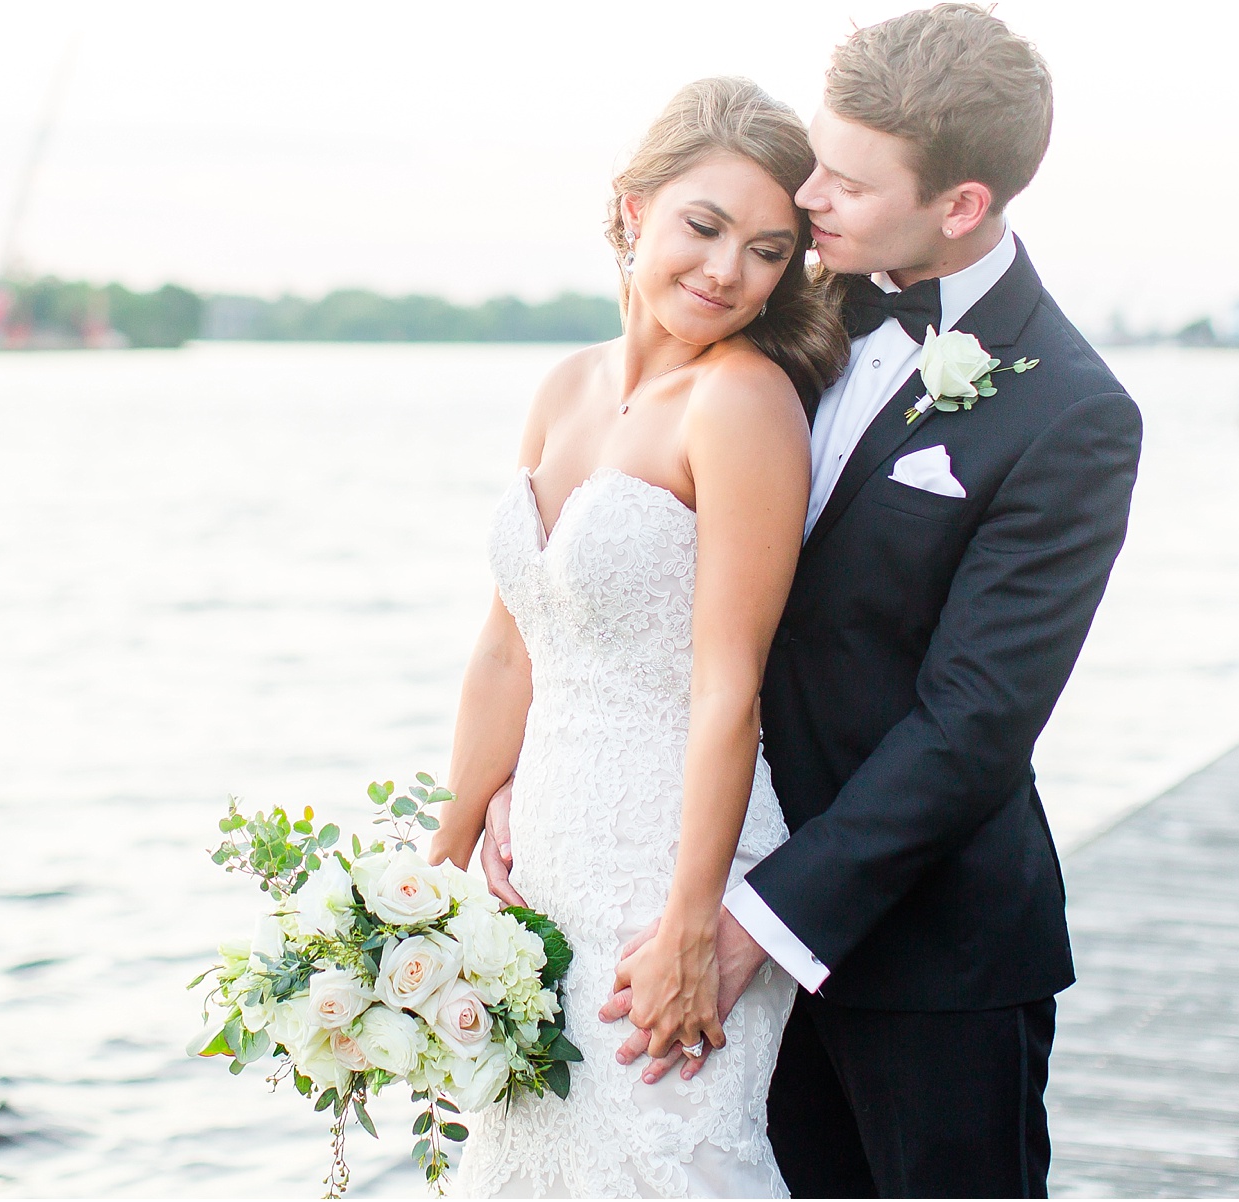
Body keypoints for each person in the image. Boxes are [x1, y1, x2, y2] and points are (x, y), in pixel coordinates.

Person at [490, 5, 1144, 1196]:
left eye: (843, 179)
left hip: (920, 950)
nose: (807, 196)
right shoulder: (784, 303)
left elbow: (975, 724)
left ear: (960, 206)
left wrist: (753, 923)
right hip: (687, 891)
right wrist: (518, 786)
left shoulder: (1072, 415)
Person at [425, 77, 848, 1197]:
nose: (728, 272)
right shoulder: (564, 387)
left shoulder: (745, 401)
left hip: (672, 859)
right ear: (632, 208)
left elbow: (729, 690)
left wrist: (690, 923)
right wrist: (430, 878)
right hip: (550, 857)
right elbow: (509, 647)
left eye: (767, 250)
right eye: (704, 228)